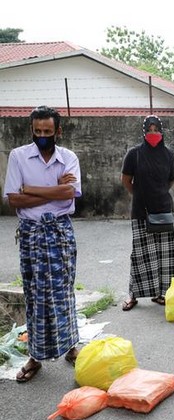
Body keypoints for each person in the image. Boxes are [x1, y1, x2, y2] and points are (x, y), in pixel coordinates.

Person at [3, 106, 81, 382]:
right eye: (38, 131)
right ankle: (34, 357)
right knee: (35, 294)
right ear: (32, 130)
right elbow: (14, 200)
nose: (43, 136)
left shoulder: (69, 157)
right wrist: (54, 192)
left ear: (58, 131)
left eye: (48, 131)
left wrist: (30, 189)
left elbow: (69, 193)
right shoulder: (19, 157)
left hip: (59, 232)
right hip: (31, 234)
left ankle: (71, 347)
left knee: (63, 291)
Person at [121, 115, 174, 311]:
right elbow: (126, 180)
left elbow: (171, 180)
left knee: (164, 255)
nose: (153, 133)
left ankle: (162, 293)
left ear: (161, 131)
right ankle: (133, 294)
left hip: (163, 208)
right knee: (140, 255)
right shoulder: (134, 154)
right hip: (141, 210)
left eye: (156, 129)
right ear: (144, 132)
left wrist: (158, 193)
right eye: (149, 129)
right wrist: (140, 195)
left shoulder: (168, 155)